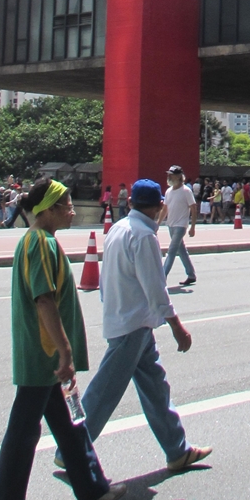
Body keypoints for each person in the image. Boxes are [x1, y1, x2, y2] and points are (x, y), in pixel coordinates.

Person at [0, 178, 126, 500]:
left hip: (46, 358)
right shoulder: (40, 244)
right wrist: (64, 351)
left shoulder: (40, 241)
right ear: (47, 209)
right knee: (23, 433)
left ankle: (92, 490)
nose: (72, 211)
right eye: (66, 205)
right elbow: (44, 300)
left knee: (70, 424)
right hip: (43, 357)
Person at [69, 179, 211, 475]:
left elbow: (106, 280)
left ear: (130, 203)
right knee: (103, 392)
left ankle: (177, 449)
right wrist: (176, 326)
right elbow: (155, 288)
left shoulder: (118, 229)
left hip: (126, 319)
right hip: (132, 324)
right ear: (160, 206)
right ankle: (71, 451)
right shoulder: (144, 236)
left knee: (156, 388)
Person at [160, 165, 197, 286]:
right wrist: (158, 223)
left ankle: (162, 277)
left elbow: (193, 207)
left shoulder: (186, 191)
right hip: (171, 224)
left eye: (172, 174)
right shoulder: (168, 191)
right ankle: (191, 274)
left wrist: (192, 227)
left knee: (171, 251)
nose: (169, 176)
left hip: (181, 225)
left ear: (179, 176)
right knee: (181, 250)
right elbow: (165, 209)